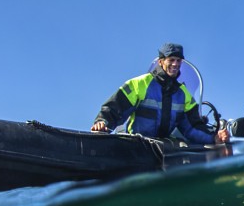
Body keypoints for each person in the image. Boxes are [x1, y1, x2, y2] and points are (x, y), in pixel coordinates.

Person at [91, 43, 229, 145]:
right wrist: (102, 123)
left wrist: (214, 138)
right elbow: (116, 108)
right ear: (161, 61)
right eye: (171, 60)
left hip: (163, 148)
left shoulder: (184, 94)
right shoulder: (140, 84)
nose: (175, 64)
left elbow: (192, 127)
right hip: (135, 146)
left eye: (178, 60)